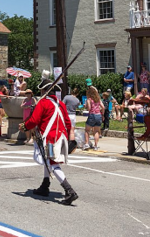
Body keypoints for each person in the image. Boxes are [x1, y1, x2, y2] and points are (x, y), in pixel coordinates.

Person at [24, 70, 78, 205]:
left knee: (53, 164)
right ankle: (45, 185)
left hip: (50, 139)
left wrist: (24, 126)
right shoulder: (61, 104)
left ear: (44, 91)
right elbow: (67, 123)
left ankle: (69, 190)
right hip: (60, 138)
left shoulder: (43, 103)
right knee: (48, 160)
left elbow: (34, 120)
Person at [84, 86, 104, 150]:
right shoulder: (98, 99)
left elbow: (89, 108)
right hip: (98, 115)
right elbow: (103, 107)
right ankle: (95, 146)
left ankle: (86, 144)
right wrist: (102, 114)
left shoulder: (89, 99)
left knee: (87, 130)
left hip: (92, 115)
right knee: (96, 131)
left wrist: (86, 106)